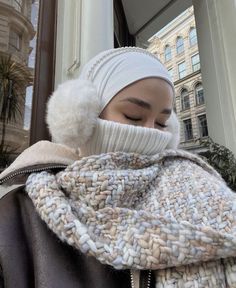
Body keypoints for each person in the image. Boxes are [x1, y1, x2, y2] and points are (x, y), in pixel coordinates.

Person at [0, 47, 236, 288]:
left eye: (163, 123)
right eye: (133, 116)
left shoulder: (200, 190)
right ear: (82, 117)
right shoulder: (18, 215)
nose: (150, 132)